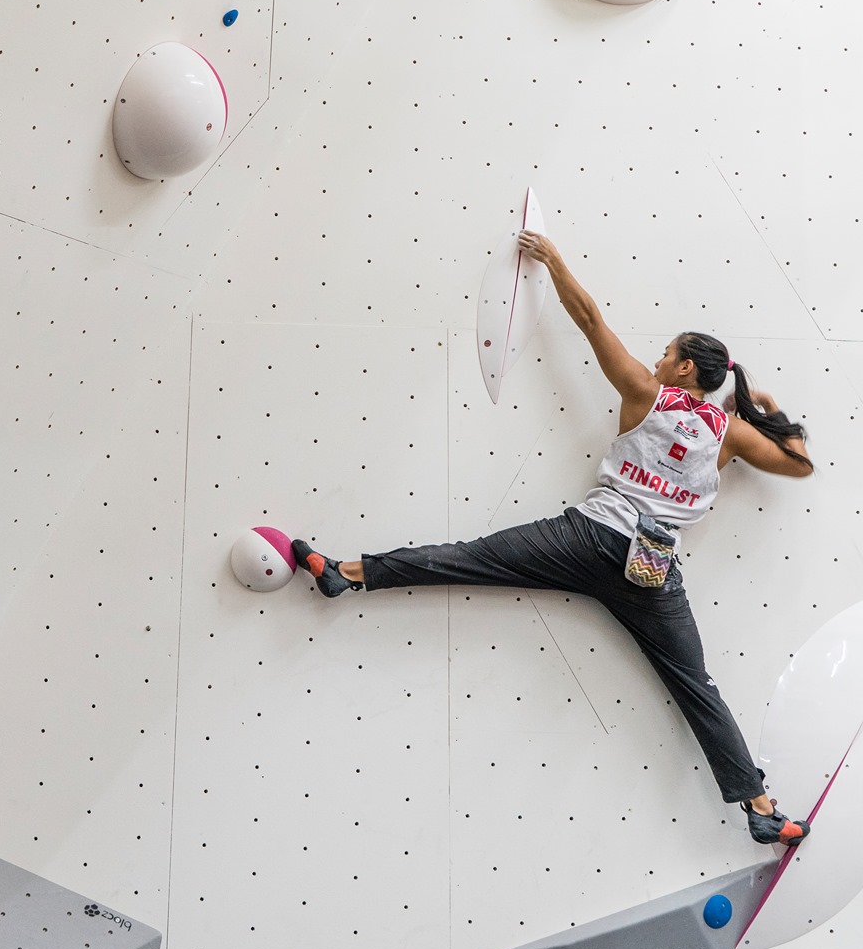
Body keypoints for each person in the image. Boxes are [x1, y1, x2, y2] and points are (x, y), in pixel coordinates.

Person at [292, 231, 817, 845]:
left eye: (664, 352)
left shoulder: (648, 395)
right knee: (695, 685)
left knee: (471, 561)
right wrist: (770, 411)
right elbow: (800, 464)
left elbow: (591, 319)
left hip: (588, 537)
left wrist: (555, 261)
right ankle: (759, 808)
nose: (654, 360)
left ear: (683, 368)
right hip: (650, 569)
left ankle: (347, 574)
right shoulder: (730, 433)